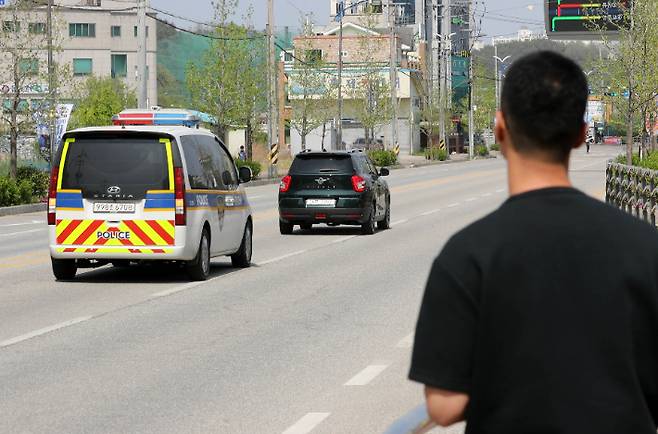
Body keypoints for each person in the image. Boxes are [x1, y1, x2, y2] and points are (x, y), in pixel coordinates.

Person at [409, 51, 658, 434]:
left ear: (500, 129)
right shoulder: (645, 245)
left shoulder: (467, 254)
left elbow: (443, 405)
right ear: (580, 133)